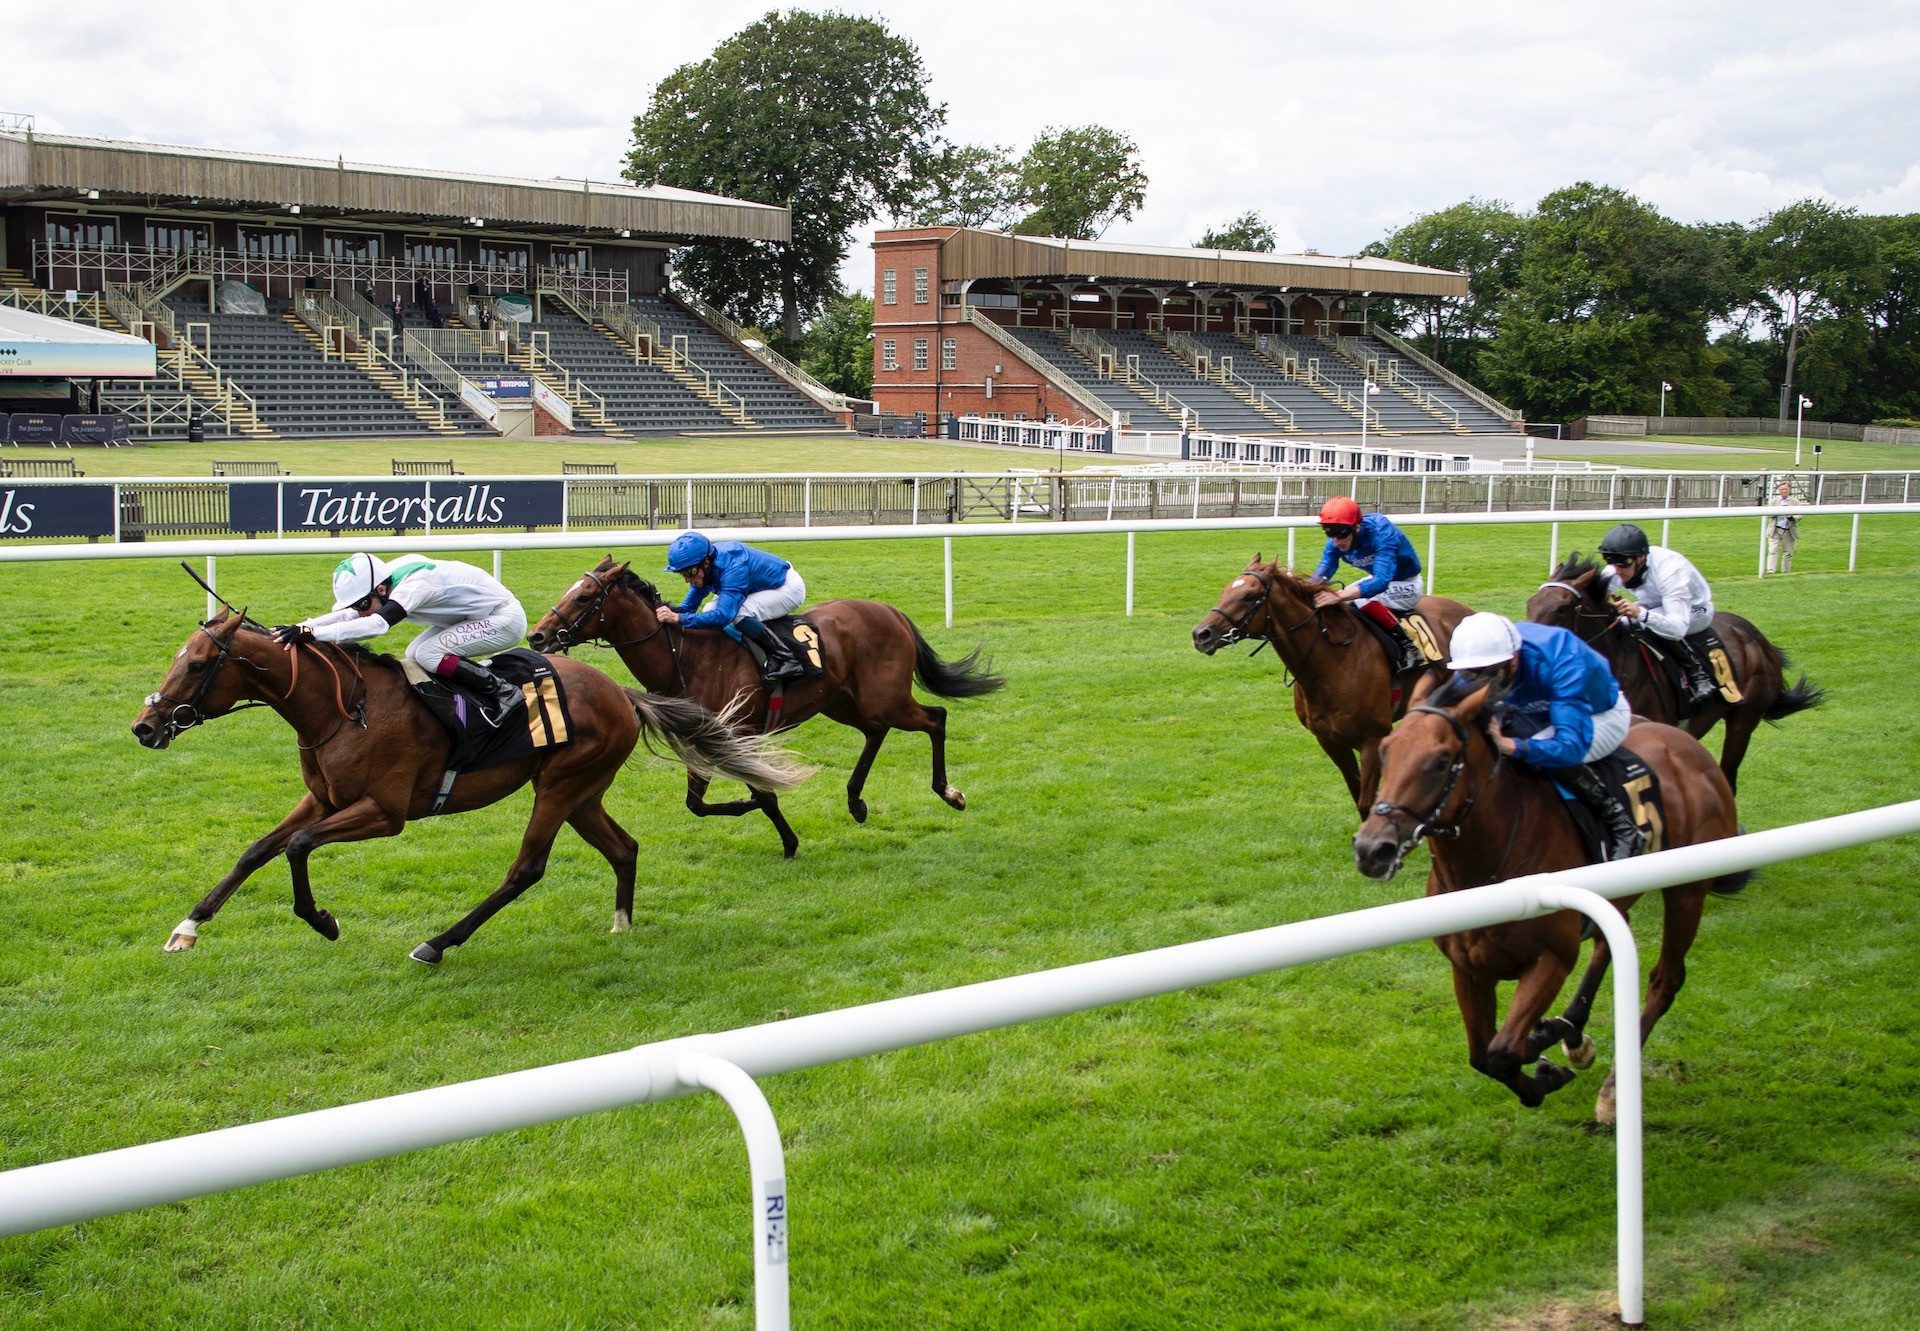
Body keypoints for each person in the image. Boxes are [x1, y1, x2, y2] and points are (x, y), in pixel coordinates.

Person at [1448, 611, 1644, 862]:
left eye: (1490, 673)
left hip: (1600, 716)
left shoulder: (1561, 657)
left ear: (1515, 659)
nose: (1481, 682)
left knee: (1539, 750)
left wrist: (1514, 747)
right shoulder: (1480, 658)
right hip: (1536, 711)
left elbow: (1570, 745)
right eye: (1473, 674)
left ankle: (1620, 823)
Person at [272, 553, 527, 726]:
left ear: (381, 590)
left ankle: (503, 690)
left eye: (363, 603)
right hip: (471, 616)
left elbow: (377, 625)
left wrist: (314, 634)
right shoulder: (384, 579)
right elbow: (351, 613)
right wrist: (305, 625)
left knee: (428, 654)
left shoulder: (415, 586)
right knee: (415, 652)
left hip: (503, 618)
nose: (360, 610)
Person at [655, 531, 808, 682]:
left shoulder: (733, 567)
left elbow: (723, 616)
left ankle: (787, 658)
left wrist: (678, 618)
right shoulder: (706, 566)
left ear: (706, 563)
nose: (687, 580)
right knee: (709, 609)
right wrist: (667, 614)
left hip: (786, 588)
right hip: (758, 587)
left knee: (738, 614)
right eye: (683, 574)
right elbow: (688, 607)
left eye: (690, 572)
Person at [1596, 523, 1717, 706]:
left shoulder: (1670, 571)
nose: (1617, 569)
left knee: (1640, 623)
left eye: (1624, 562)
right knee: (1617, 621)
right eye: (1609, 561)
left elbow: (1677, 628)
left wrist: (1640, 614)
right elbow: (1596, 600)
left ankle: (1697, 674)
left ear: (1641, 557)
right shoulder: (1617, 566)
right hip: (1655, 604)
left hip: (1694, 610)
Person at [1307, 495, 1426, 671]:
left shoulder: (1382, 532)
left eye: (1341, 534)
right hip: (1383, 582)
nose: (1336, 541)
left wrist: (1337, 596)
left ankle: (1409, 647)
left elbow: (1380, 581)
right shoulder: (1337, 540)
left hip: (1407, 585)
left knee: (1358, 599)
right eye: (1330, 534)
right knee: (1345, 600)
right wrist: (1306, 590)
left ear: (1356, 527)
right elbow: (1324, 570)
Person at [1767, 480, 1802, 574]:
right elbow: (1768, 515)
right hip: (1775, 530)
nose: (1784, 491)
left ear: (1789, 490)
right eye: (1782, 489)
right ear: (1779, 490)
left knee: (1788, 552)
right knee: (1772, 551)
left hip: (1788, 530)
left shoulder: (1795, 502)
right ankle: (1771, 570)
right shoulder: (1773, 501)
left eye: (1785, 489)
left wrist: (1793, 518)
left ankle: (1786, 571)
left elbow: (1800, 515)